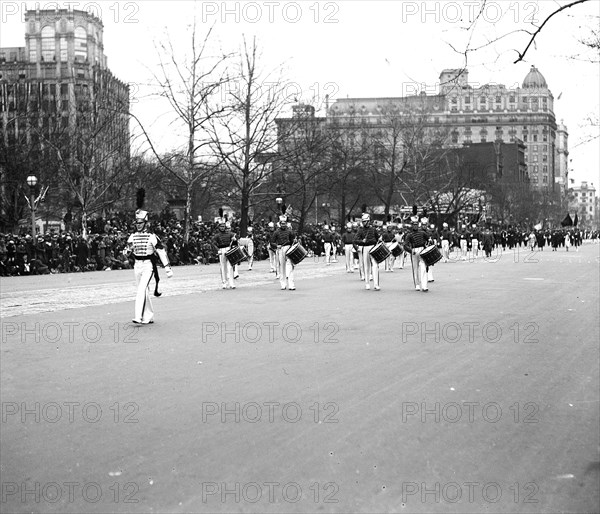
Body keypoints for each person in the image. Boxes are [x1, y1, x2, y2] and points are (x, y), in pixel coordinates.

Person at [124, 189, 173, 324]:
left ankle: (138, 316)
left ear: (145, 223)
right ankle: (149, 315)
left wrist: (167, 268)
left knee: (141, 290)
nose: (138, 225)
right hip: (137, 265)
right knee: (143, 290)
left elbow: (161, 251)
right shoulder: (132, 236)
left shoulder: (152, 236)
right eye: (136, 223)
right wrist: (126, 252)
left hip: (148, 266)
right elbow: (127, 250)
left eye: (140, 223)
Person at [403, 212, 430, 292]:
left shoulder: (422, 233)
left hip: (422, 250)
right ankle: (417, 284)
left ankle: (424, 285)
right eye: (414, 224)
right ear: (412, 225)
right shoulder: (409, 235)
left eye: (416, 224)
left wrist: (428, 245)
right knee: (415, 269)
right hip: (414, 251)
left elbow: (429, 240)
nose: (415, 226)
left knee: (423, 267)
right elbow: (405, 245)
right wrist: (411, 251)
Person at [354, 212, 381, 290]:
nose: (365, 223)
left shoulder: (373, 229)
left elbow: (377, 238)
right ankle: (367, 283)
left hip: (373, 247)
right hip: (365, 248)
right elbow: (355, 240)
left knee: (375, 265)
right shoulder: (360, 230)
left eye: (366, 221)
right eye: (364, 221)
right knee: (366, 266)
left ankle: (376, 284)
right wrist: (362, 241)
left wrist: (379, 239)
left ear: (369, 221)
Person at [212, 215, 237, 289]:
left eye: (223, 226)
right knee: (223, 267)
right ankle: (224, 282)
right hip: (221, 250)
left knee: (230, 267)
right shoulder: (217, 235)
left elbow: (235, 242)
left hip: (229, 249)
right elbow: (213, 243)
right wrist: (217, 250)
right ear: (219, 227)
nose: (222, 228)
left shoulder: (230, 234)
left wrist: (235, 240)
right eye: (221, 226)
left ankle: (231, 283)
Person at [272, 215, 296, 290]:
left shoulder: (289, 231)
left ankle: (291, 284)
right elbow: (272, 242)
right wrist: (276, 246)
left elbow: (293, 241)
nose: (283, 225)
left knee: (290, 266)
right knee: (282, 267)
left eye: (284, 223)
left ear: (286, 223)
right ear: (280, 223)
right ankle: (283, 284)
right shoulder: (276, 232)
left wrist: (294, 241)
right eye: (282, 223)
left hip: (288, 249)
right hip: (280, 249)